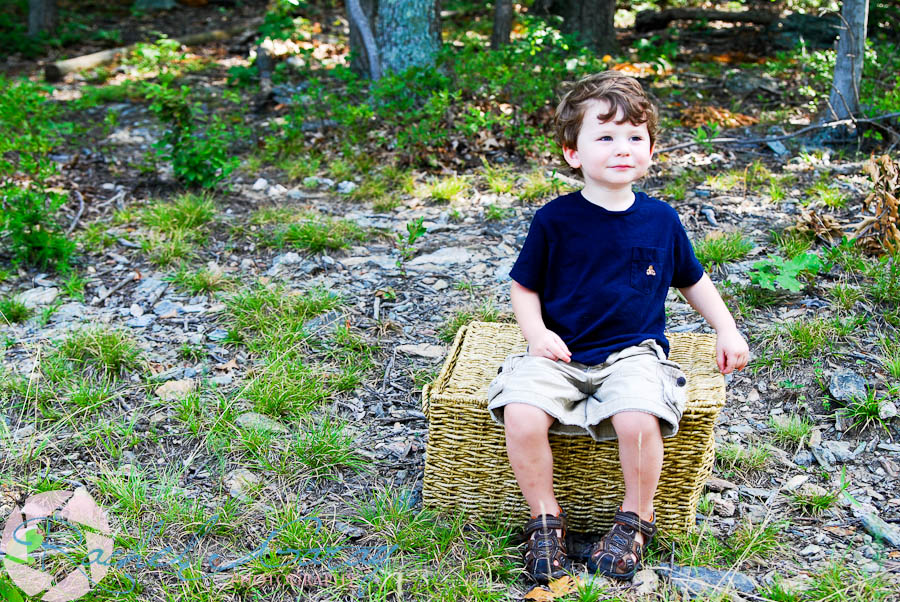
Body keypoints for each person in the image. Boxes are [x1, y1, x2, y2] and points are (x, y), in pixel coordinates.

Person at [486, 71, 749, 584]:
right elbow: (524, 287)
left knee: (638, 417)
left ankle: (636, 517)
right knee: (519, 412)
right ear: (573, 153)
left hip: (632, 353)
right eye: (604, 136)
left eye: (635, 137)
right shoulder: (555, 220)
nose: (622, 147)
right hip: (560, 353)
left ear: (650, 150)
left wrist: (726, 329)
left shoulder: (660, 220)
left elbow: (693, 281)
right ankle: (544, 518)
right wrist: (537, 335)